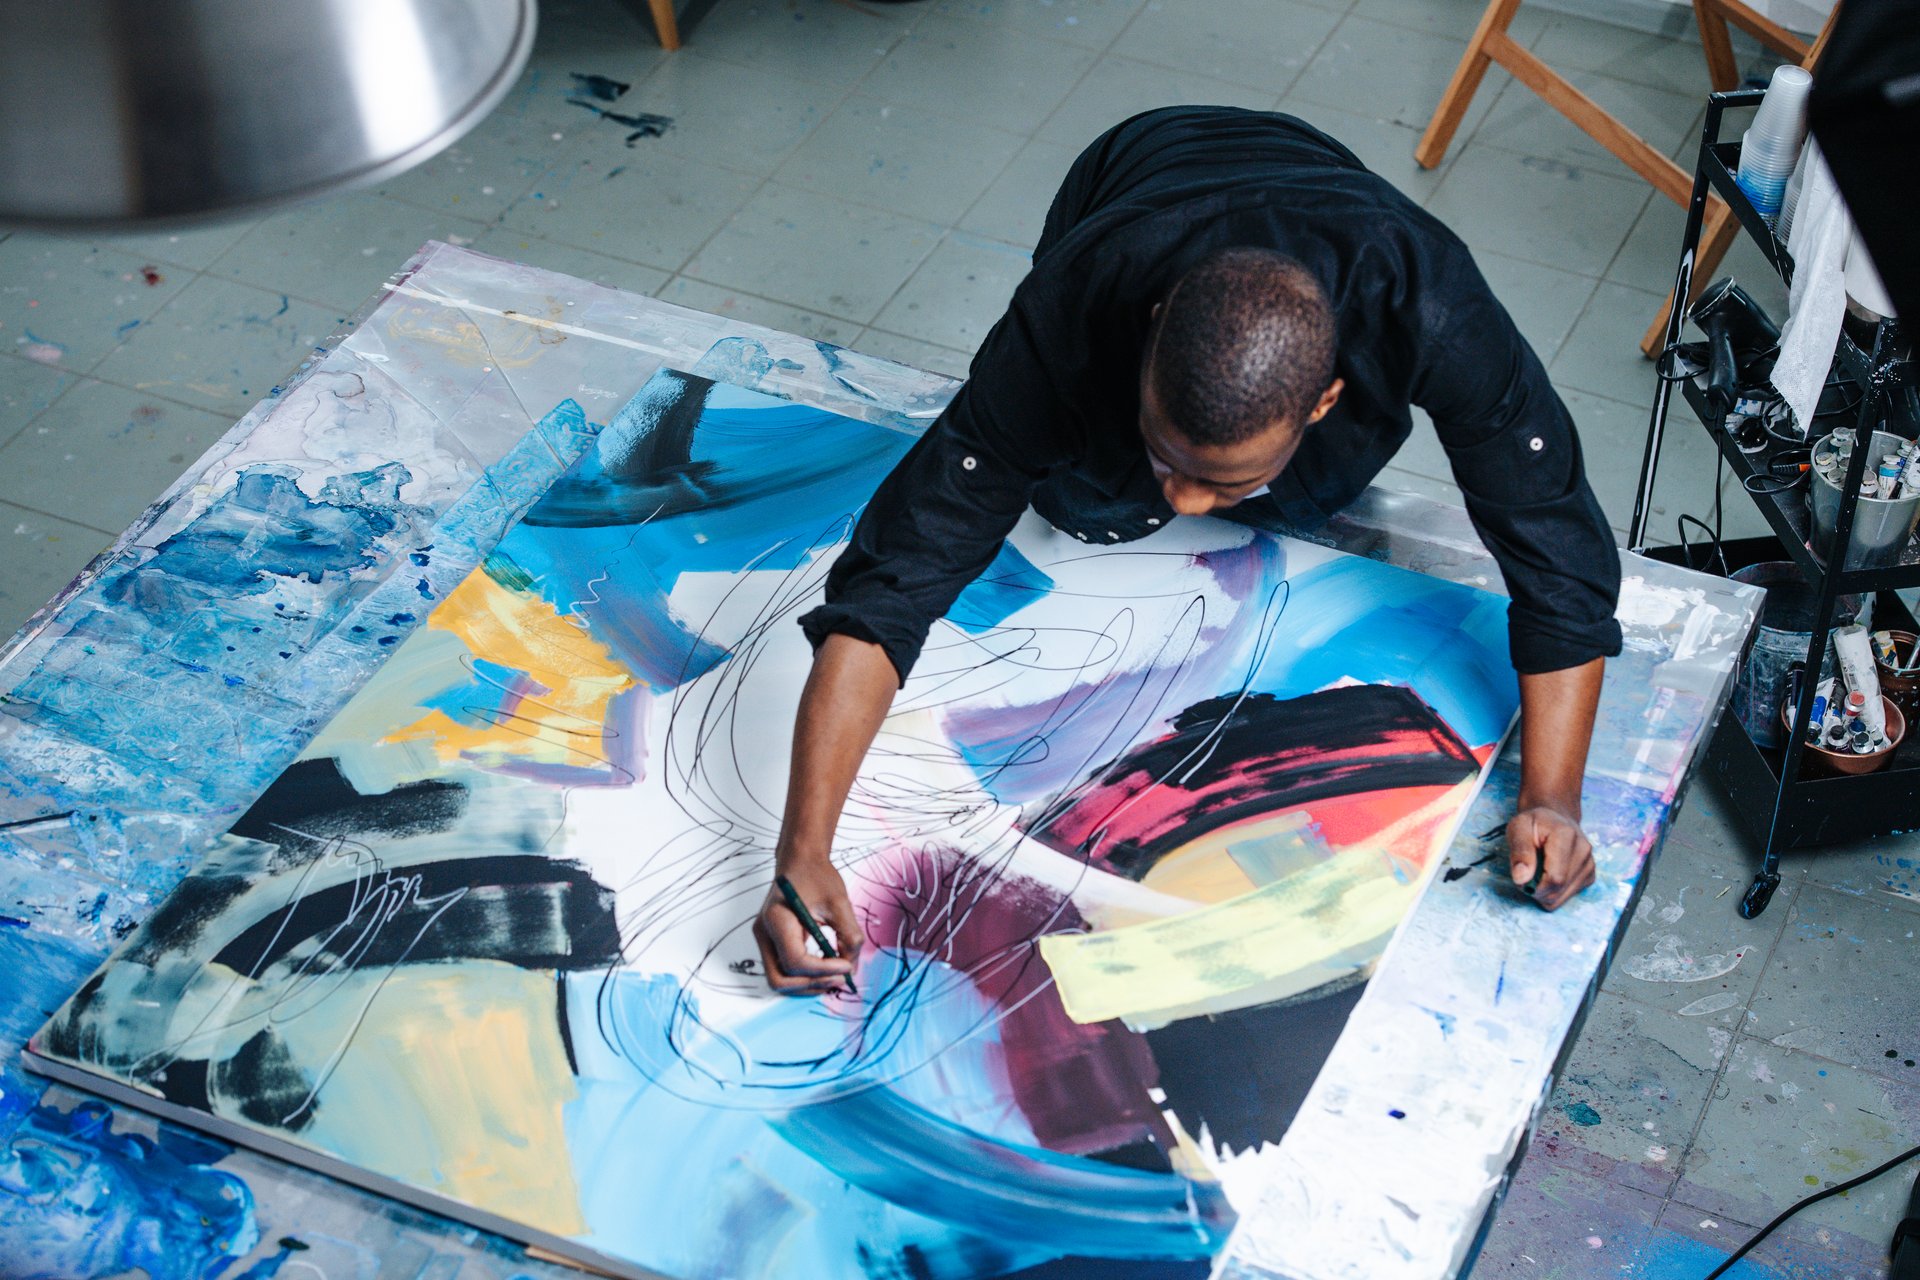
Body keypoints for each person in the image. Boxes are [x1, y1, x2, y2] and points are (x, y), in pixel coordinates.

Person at [751, 105, 1620, 994]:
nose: (1186, 502)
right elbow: (894, 581)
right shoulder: (1069, 317)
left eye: (1224, 483)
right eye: (1169, 460)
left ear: (1324, 400)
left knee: (1314, 499)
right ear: (1152, 332)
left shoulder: (1431, 305)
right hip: (1136, 165)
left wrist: (1552, 796)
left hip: (1322, 182)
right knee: (1087, 502)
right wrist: (803, 850)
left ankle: (1228, 455)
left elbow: (1554, 552)